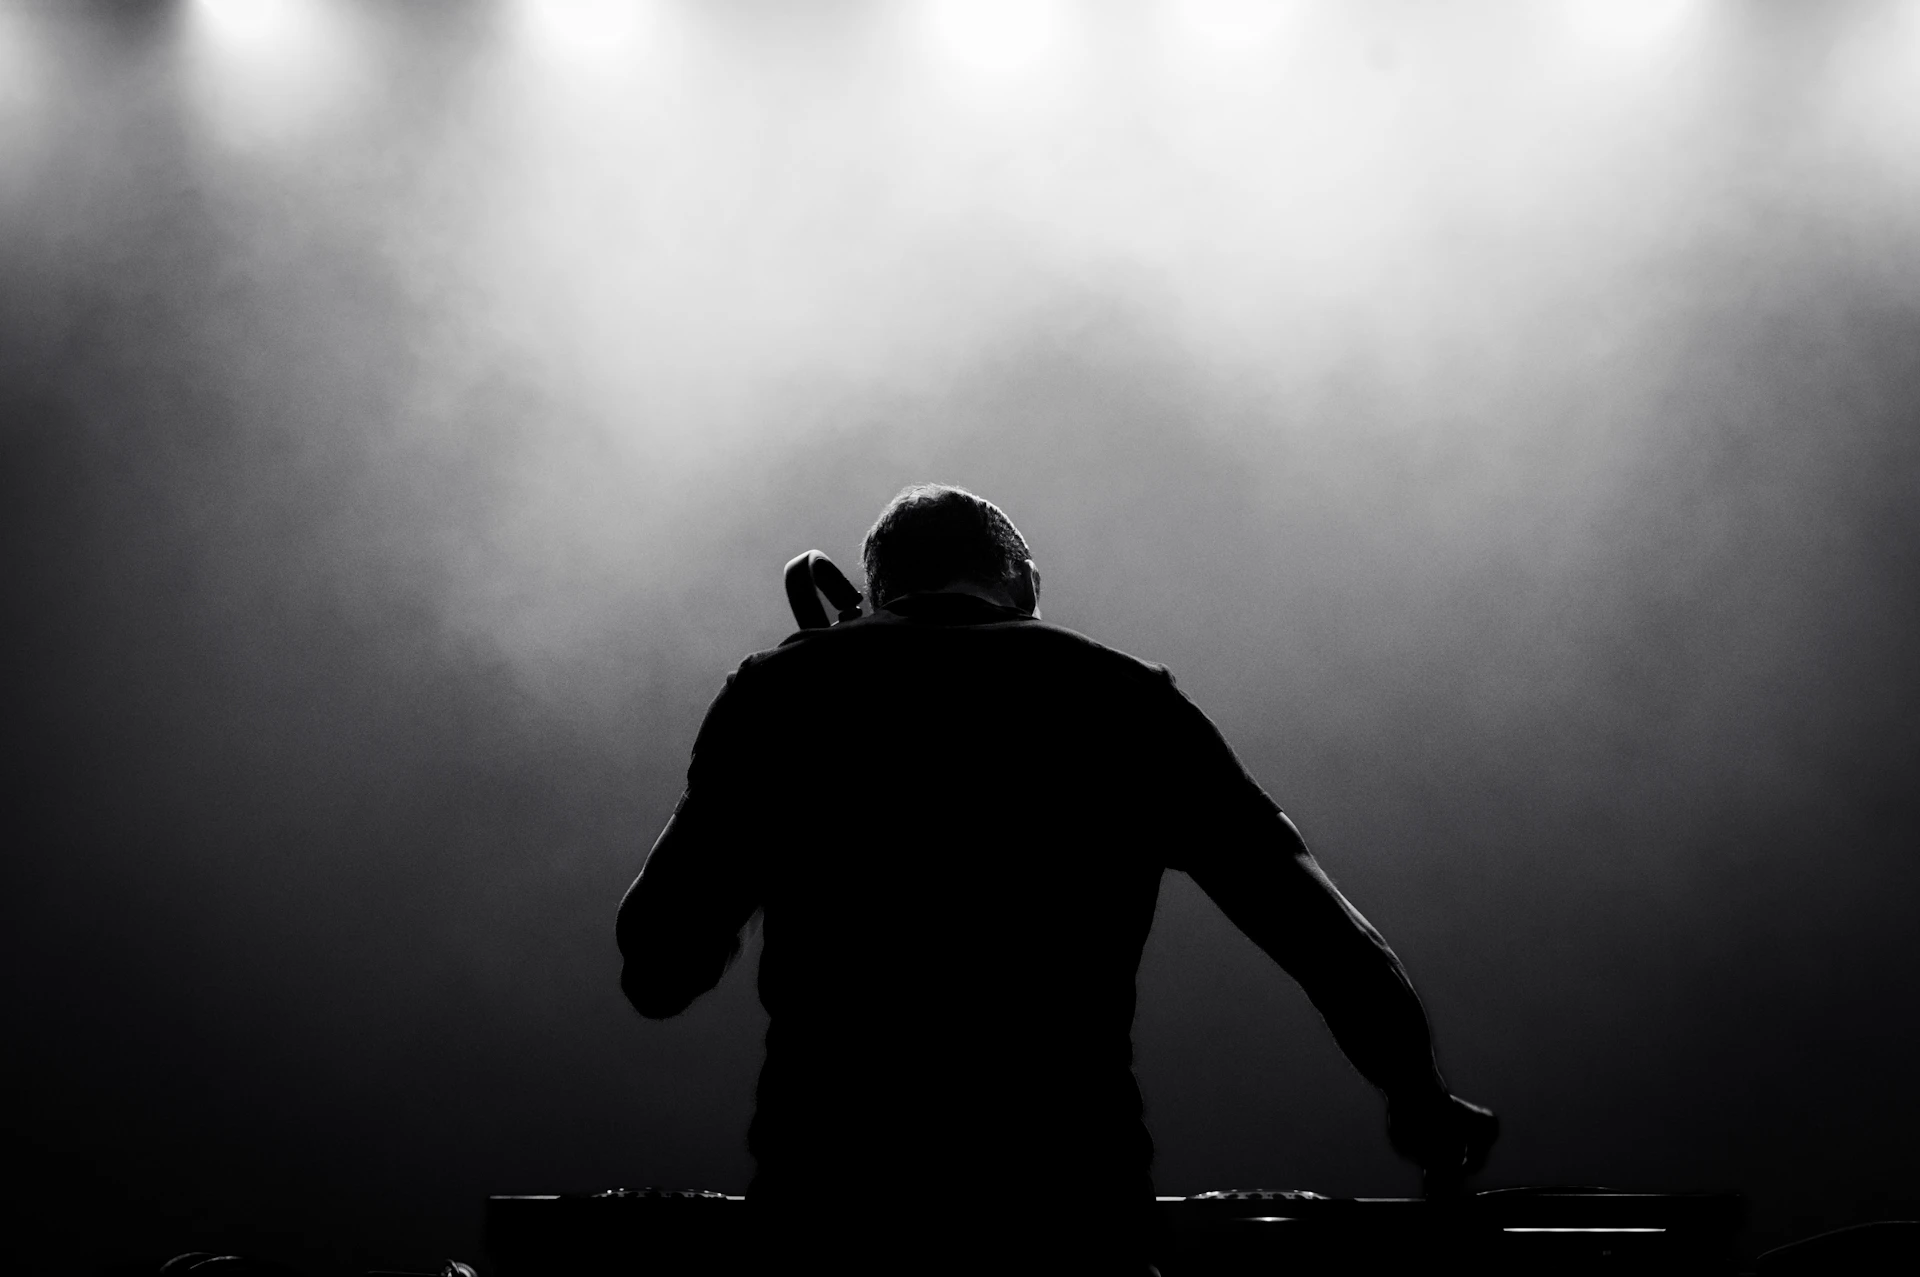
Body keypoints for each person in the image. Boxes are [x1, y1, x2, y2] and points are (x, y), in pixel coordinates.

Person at [617, 484, 1496, 1275]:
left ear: (877, 587)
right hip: (1070, 1232)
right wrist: (1417, 1096)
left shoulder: (779, 693)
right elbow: (1322, 932)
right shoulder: (1127, 699)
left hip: (834, 1230)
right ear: (1023, 584)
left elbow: (657, 966)